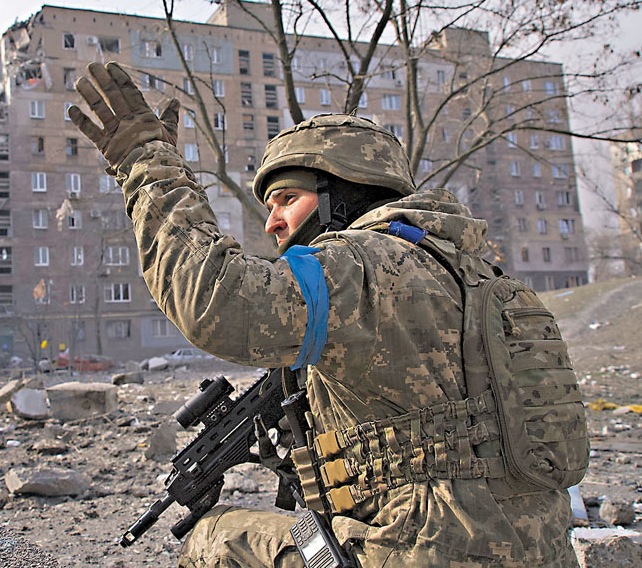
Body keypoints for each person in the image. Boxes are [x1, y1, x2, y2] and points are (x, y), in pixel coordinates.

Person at [68, 61, 580, 567]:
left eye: (287, 199)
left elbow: (216, 301)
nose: (273, 223)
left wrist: (147, 163)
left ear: (344, 194)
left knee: (212, 539)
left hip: (421, 551)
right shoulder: (484, 278)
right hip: (538, 550)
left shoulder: (360, 264)